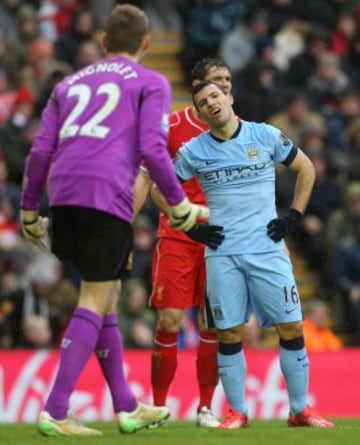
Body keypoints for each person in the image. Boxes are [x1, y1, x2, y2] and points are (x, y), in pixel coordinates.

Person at [19, 4, 208, 437]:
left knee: (107, 292)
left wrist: (30, 208)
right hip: (106, 193)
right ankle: (57, 408)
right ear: (146, 43)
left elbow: (40, 151)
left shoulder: (68, 82)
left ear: (104, 43)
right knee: (95, 297)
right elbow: (153, 148)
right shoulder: (150, 81)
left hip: (62, 193)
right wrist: (178, 204)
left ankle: (125, 405)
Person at [173, 80, 335, 429]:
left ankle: (299, 410)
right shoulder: (193, 150)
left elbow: (306, 167)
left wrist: (294, 216)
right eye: (203, 102)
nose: (211, 103)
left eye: (215, 96)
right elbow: (163, 189)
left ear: (229, 98)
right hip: (222, 253)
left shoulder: (264, 135)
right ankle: (237, 412)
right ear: (200, 114)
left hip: (267, 249)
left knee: (290, 325)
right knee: (229, 333)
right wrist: (189, 227)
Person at [137, 58, 231, 428]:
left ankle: (206, 408)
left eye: (227, 80)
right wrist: (183, 218)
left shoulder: (237, 128)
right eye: (215, 81)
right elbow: (155, 181)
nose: (223, 87)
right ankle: (159, 407)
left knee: (212, 325)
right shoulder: (172, 125)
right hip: (179, 234)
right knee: (170, 320)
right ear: (196, 87)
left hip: (221, 238)